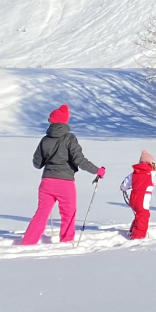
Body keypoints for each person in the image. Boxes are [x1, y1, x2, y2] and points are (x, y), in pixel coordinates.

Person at [21, 104, 107, 245]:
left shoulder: (45, 140)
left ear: (52, 121)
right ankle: (66, 242)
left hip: (47, 182)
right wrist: (98, 170)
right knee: (68, 214)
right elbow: (79, 160)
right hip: (65, 183)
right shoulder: (69, 139)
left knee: (41, 214)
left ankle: (28, 242)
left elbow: (37, 164)